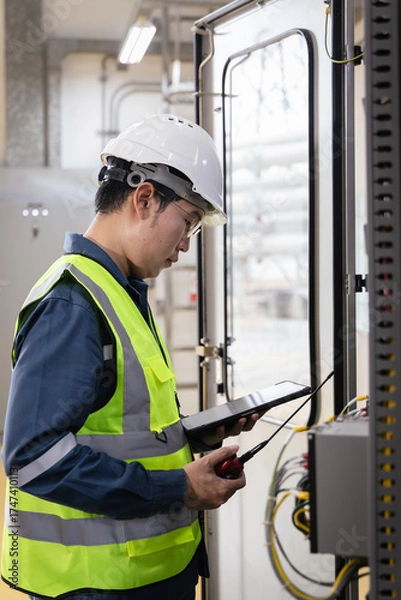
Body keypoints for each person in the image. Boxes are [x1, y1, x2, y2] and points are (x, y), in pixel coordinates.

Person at [1, 114, 260, 600]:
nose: (185, 245)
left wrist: (197, 433)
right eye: (187, 223)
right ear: (144, 199)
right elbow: (31, 459)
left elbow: (123, 429)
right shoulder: (71, 303)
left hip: (140, 574)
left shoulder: (120, 291)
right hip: (96, 584)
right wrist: (177, 489)